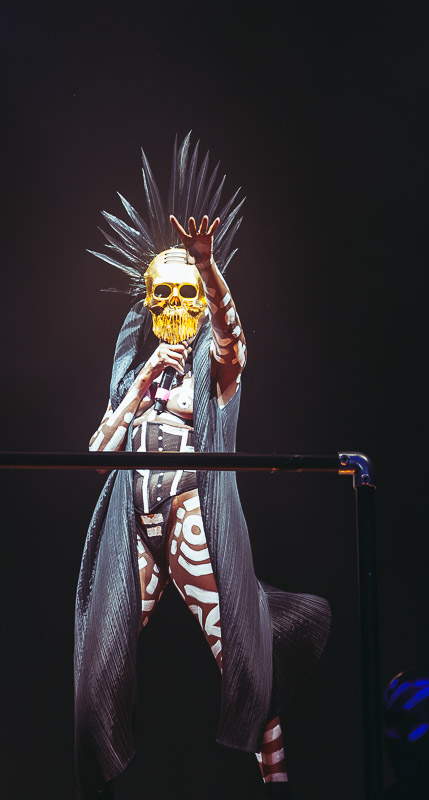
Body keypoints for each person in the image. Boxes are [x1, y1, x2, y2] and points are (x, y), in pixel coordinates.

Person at [74, 134, 331, 799]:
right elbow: (97, 460)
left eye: (186, 294)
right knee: (97, 671)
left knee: (244, 657)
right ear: (147, 302)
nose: (176, 309)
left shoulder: (210, 374)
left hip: (190, 516)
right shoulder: (136, 372)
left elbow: (231, 338)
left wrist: (210, 269)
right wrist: (136, 389)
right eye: (163, 296)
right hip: (135, 523)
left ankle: (276, 779)